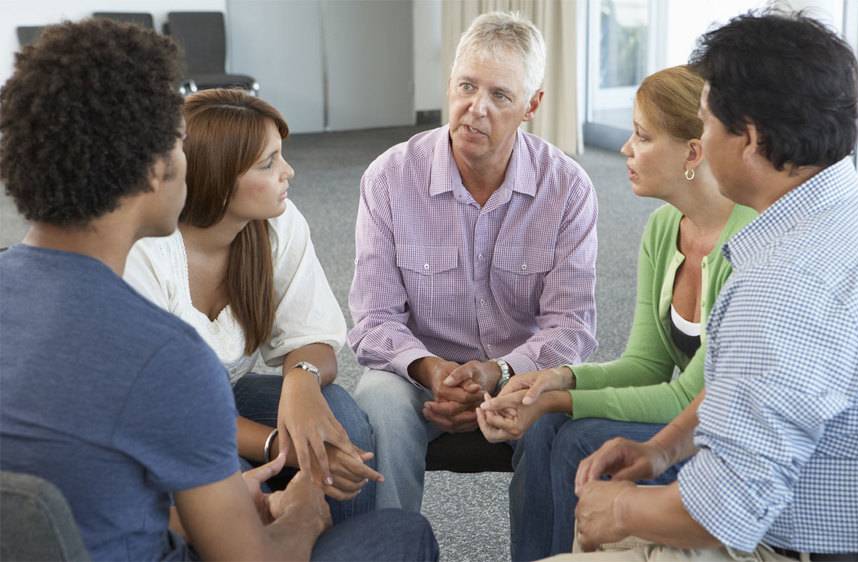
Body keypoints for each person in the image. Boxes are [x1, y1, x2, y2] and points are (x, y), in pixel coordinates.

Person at [0, 19, 438, 562]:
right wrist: (303, 507)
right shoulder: (164, 353)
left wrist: (198, 508)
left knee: (333, 416)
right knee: (403, 534)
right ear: (154, 170)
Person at [547, 10, 858, 562]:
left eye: (708, 124)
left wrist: (619, 509)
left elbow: (725, 507)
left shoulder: (786, 284)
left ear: (751, 140)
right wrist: (662, 449)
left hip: (778, 546)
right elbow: (754, 385)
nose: (702, 143)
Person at [476, 65, 756, 561]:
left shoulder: (748, 244)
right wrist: (556, 379)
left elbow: (690, 395)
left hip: (726, 448)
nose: (626, 149)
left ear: (693, 152)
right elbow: (645, 366)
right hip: (684, 425)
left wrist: (562, 401)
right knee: (541, 430)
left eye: (642, 137)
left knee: (577, 438)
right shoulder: (663, 228)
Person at [348, 11, 599, 512]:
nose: (475, 109)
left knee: (560, 417)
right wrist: (430, 369)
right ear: (451, 84)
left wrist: (500, 373)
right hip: (417, 375)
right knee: (375, 402)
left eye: (500, 95)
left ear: (532, 105)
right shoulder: (389, 178)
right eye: (466, 86)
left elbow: (571, 328)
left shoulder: (568, 189)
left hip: (520, 377)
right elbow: (373, 321)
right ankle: (393, 548)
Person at [124, 88, 380, 522]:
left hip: (224, 396)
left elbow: (313, 334)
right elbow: (161, 408)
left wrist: (302, 382)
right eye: (269, 163)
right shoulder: (145, 252)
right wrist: (279, 446)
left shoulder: (276, 223)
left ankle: (348, 544)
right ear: (215, 177)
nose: (289, 172)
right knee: (233, 478)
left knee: (341, 425)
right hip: (159, 421)